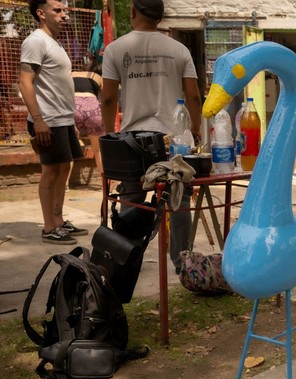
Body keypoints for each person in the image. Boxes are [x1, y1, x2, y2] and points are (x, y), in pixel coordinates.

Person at [100, 0, 202, 273]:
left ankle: (123, 263)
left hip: (131, 142)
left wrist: (108, 135)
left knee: (130, 199)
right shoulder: (179, 49)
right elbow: (193, 95)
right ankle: (183, 266)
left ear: (133, 12)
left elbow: (108, 97)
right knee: (178, 199)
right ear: (160, 17)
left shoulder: (115, 49)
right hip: (173, 141)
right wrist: (196, 131)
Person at [19, 0, 88, 245]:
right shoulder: (35, 41)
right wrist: (38, 120)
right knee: (50, 171)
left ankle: (58, 220)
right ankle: (49, 228)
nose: (64, 15)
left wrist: (71, 119)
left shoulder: (54, 42)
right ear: (41, 13)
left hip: (62, 119)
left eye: (64, 10)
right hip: (46, 119)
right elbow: (25, 82)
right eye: (57, 10)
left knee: (64, 167)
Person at [71, 57, 104, 172]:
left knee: (69, 150)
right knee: (98, 150)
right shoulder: (98, 77)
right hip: (92, 108)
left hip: (73, 107)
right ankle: (105, 180)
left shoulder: (72, 74)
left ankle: (65, 184)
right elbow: (106, 99)